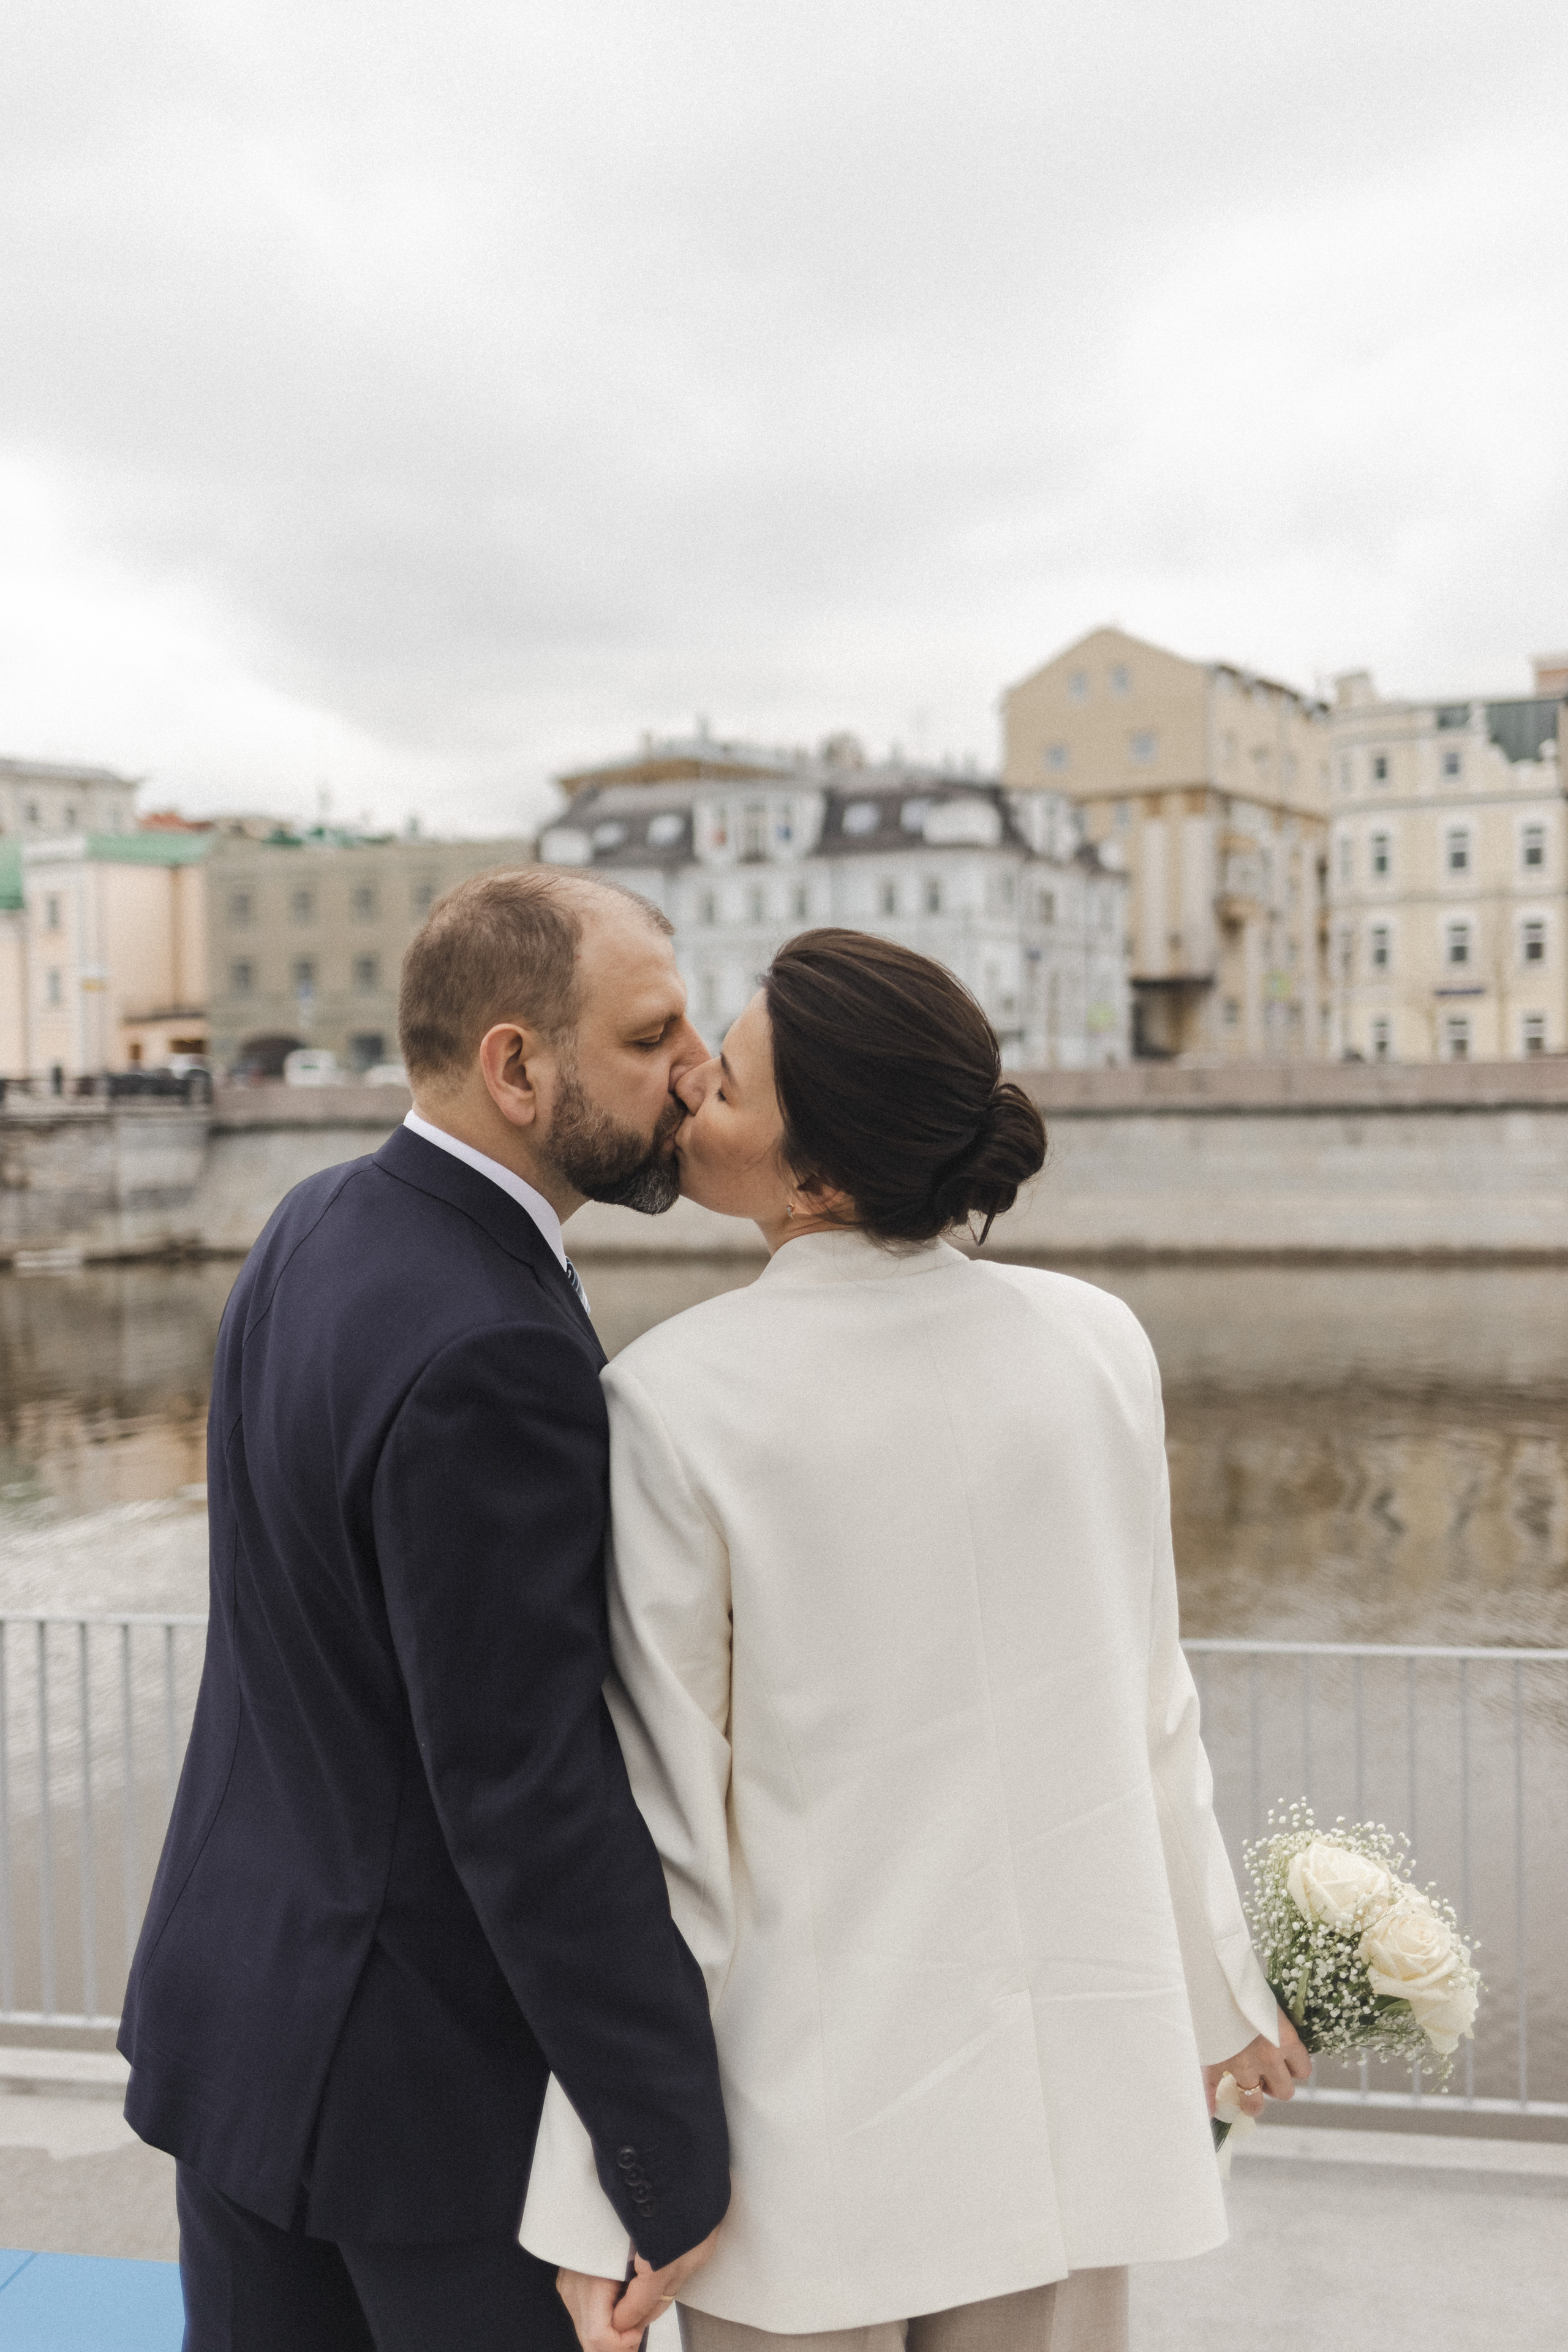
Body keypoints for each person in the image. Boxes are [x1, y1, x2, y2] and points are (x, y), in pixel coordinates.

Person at [524, 929, 1309, 2352]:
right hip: (1066, 2107)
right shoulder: (1096, 1346)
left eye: (734, 1082)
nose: (692, 1083)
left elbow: (668, 1842)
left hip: (816, 2135)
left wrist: (601, 2190)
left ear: (817, 1178)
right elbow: (1152, 1714)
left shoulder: (670, 1403)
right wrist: (1217, 1997)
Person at [119, 870, 730, 2352]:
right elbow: (522, 1791)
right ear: (519, 1066)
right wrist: (667, 2150)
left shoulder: (317, 1223)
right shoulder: (494, 1347)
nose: (696, 1074)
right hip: (421, 2115)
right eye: (651, 1037)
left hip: (238, 2031)